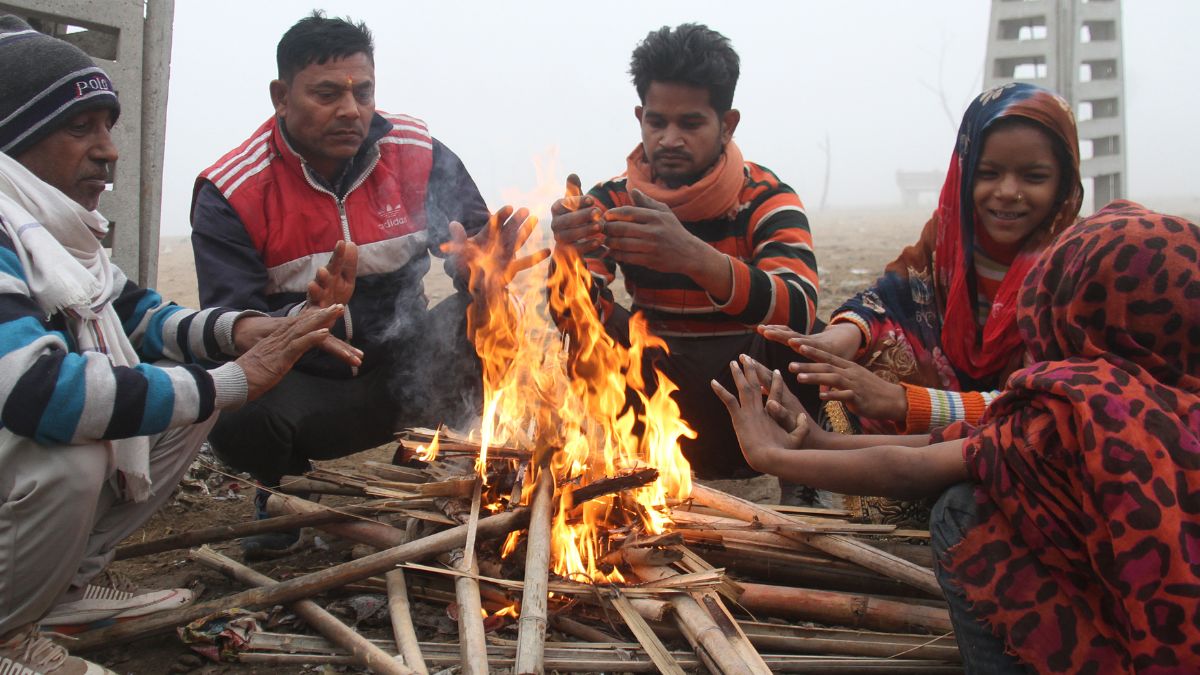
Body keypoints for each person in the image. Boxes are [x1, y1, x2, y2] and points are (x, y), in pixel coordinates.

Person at [0, 16, 358, 674]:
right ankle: (6, 632)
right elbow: (37, 394)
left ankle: (60, 591)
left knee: (188, 397)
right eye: (80, 128)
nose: (109, 151)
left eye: (108, 126)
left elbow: (142, 314)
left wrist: (246, 332)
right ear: (14, 141)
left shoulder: (53, 237)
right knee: (71, 455)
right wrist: (236, 378)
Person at [715, 201, 1200, 673]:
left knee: (966, 510)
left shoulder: (1079, 405)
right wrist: (819, 443)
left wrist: (772, 457)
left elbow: (914, 469)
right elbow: (964, 440)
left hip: (1149, 650)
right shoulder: (1177, 396)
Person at [190, 12, 525, 555]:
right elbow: (231, 328)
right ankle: (283, 492)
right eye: (327, 94)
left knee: (492, 316)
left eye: (362, 92)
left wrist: (481, 271)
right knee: (231, 405)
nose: (350, 110)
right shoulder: (234, 190)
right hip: (304, 388)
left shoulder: (416, 151)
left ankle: (421, 472)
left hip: (405, 371)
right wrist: (300, 323)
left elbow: (473, 246)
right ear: (281, 96)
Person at [549, 23, 820, 480]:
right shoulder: (611, 200)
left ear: (727, 125)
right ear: (640, 117)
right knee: (585, 326)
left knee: (813, 341)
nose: (669, 139)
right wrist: (567, 258)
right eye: (657, 122)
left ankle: (801, 473)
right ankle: (632, 467)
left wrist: (693, 257)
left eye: (690, 124)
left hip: (749, 396)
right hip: (656, 391)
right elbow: (571, 313)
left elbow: (799, 307)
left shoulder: (766, 197)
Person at [763, 82, 1082, 436]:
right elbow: (891, 298)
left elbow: (1051, 402)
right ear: (964, 174)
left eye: (1034, 177)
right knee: (855, 362)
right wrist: (845, 336)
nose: (1008, 192)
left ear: (1064, 181)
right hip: (937, 412)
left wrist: (904, 402)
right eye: (988, 173)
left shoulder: (1078, 263)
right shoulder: (948, 239)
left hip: (1026, 438)